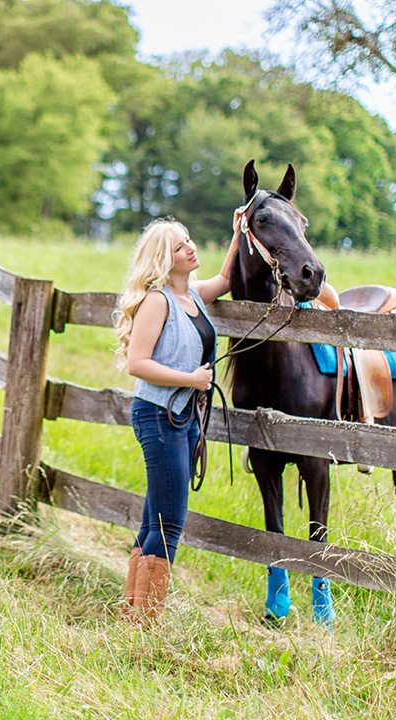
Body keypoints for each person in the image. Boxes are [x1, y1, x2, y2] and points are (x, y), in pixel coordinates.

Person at [113, 213, 241, 621]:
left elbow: (226, 279)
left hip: (181, 417)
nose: (191, 248)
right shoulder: (157, 301)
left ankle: (134, 614)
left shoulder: (194, 297)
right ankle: (146, 622)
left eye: (189, 240)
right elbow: (137, 363)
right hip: (157, 415)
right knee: (169, 523)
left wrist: (238, 233)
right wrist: (190, 379)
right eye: (179, 246)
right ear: (164, 260)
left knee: (155, 518)